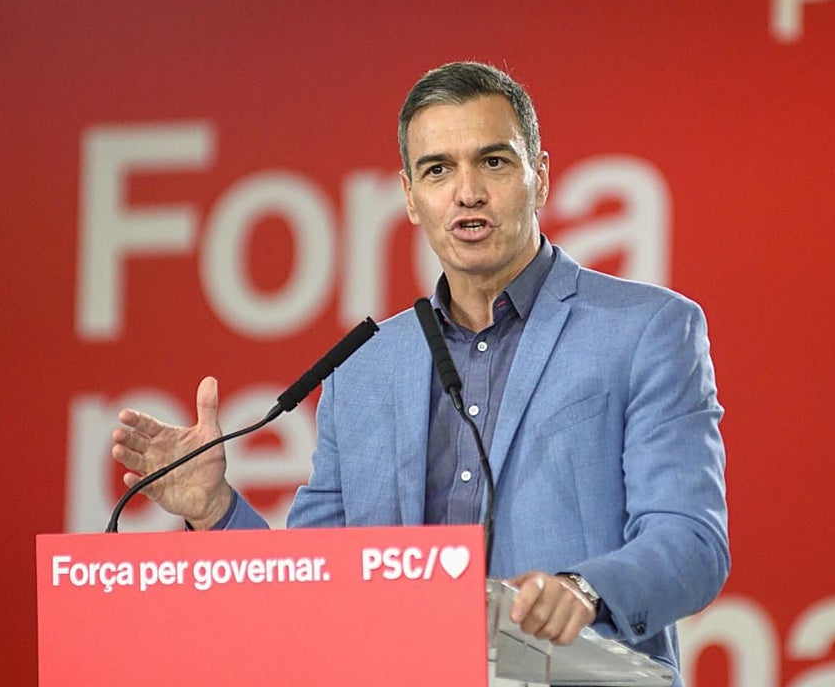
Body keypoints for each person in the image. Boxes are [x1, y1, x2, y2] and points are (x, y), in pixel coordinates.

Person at [111, 61, 729, 682]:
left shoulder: (646, 329)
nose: (468, 193)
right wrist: (214, 509)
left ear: (539, 178)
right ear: (410, 198)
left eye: (494, 162)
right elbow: (310, 588)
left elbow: (691, 544)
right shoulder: (364, 368)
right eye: (439, 170)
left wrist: (584, 589)